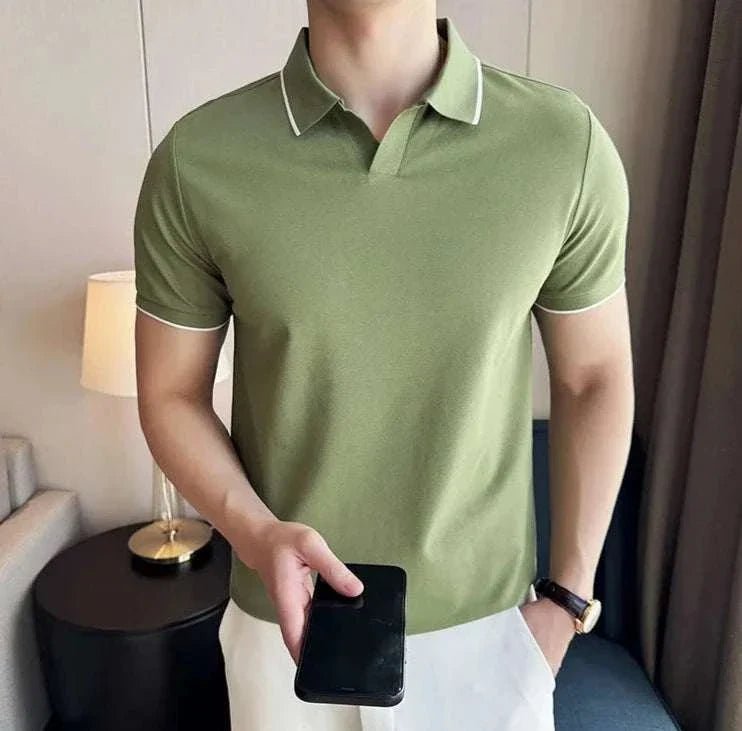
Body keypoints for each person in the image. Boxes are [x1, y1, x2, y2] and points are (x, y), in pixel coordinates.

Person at [133, 1, 634, 729]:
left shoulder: (563, 145)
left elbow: (595, 378)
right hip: (283, 636)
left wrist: (567, 599)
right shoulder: (196, 161)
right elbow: (170, 393)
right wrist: (256, 534)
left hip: (490, 641)